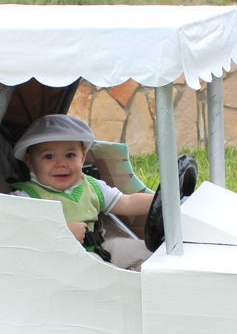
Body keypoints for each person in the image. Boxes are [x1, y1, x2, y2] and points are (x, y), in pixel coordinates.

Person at [10, 114, 153, 270]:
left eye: (70, 155)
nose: (61, 164)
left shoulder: (92, 185)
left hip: (99, 247)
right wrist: (62, 233)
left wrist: (161, 200)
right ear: (30, 162)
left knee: (146, 251)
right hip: (58, 262)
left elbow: (126, 203)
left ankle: (158, 287)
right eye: (48, 156)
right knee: (95, 268)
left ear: (83, 158)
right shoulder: (26, 197)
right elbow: (19, 233)